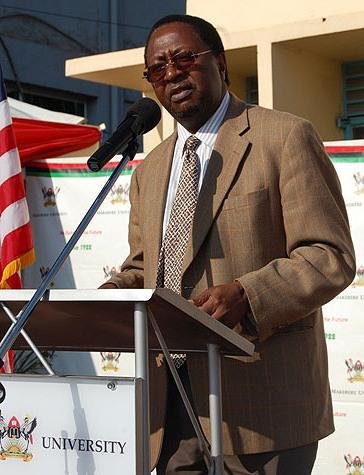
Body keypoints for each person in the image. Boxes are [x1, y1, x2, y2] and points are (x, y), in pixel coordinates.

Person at [101, 14, 356, 475]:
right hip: (173, 407)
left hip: (265, 406)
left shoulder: (284, 136)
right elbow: (146, 268)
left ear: (219, 62)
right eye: (157, 68)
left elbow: (327, 255)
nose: (172, 73)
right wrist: (110, 298)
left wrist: (248, 294)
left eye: (183, 58)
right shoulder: (149, 169)